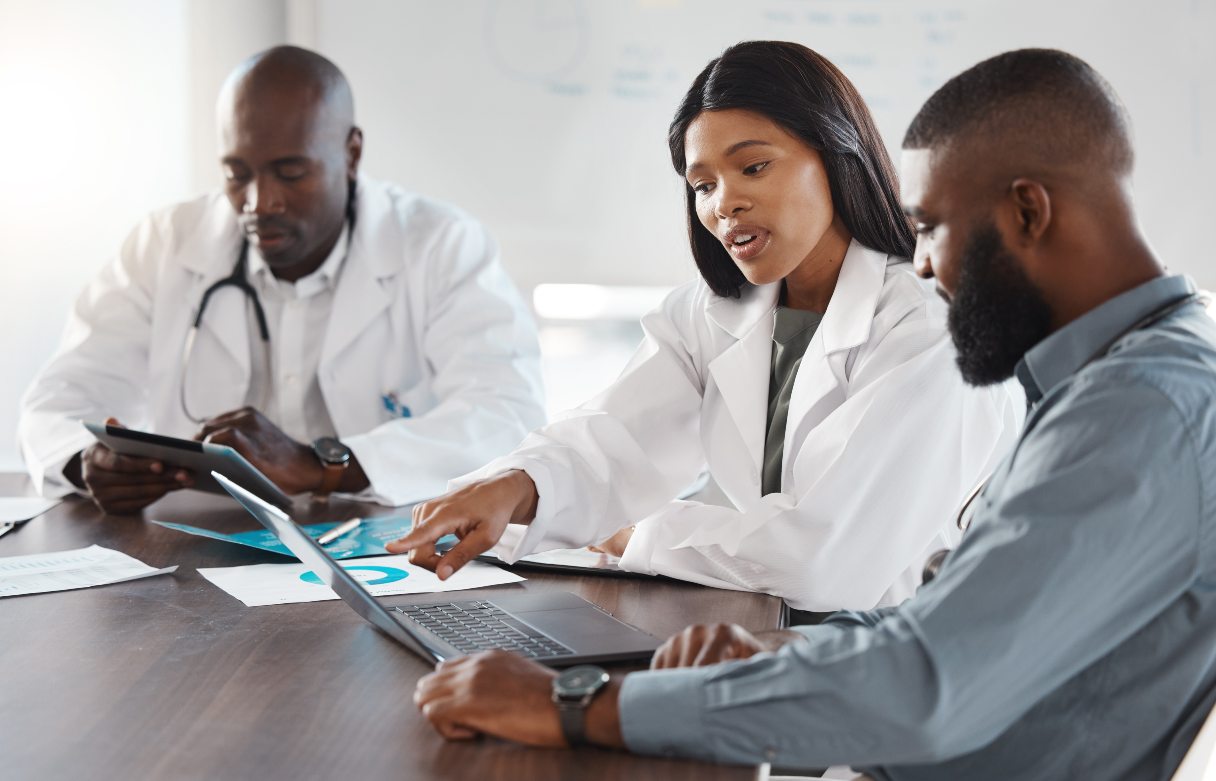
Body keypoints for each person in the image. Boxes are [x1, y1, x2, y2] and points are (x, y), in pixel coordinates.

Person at [405, 48, 1216, 780]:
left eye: (931, 227)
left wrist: (577, 703)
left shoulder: (1143, 407)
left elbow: (928, 684)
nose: (925, 263)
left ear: (1029, 212)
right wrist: (775, 656)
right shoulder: (1108, 379)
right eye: (702, 185)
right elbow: (952, 627)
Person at [388, 41, 1021, 620]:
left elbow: (824, 559)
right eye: (703, 184)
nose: (724, 204)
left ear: (836, 155)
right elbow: (616, 438)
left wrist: (634, 534)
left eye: (754, 168)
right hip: (776, 628)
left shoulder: (934, 325)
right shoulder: (715, 310)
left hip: (915, 657)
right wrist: (515, 487)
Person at [18, 46, 545, 513]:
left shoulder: (440, 244)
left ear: (352, 153)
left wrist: (325, 465)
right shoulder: (167, 241)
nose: (259, 202)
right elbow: (61, 399)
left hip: (387, 547)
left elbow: (505, 413)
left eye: (290, 173)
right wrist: (88, 463)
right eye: (237, 173)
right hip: (199, 546)